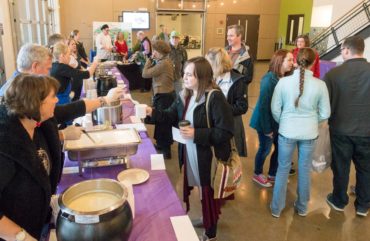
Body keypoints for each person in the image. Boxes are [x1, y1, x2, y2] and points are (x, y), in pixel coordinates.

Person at [145, 57, 234, 241]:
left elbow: (225, 132)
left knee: (209, 192)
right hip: (191, 152)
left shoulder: (215, 97)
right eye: (184, 73)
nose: (184, 77)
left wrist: (196, 134)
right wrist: (151, 112)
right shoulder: (185, 95)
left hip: (208, 156)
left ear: (201, 77)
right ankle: (207, 219)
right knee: (202, 190)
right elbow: (170, 116)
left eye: (189, 74)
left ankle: (211, 233)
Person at [0, 43, 123, 134]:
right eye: (48, 69)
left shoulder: (25, 85)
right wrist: (104, 100)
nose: (49, 73)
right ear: (35, 66)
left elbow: (56, 113)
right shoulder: (15, 93)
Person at [0, 74, 62, 241]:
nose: (56, 100)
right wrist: (21, 236)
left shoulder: (39, 126)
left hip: (37, 224)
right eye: (52, 96)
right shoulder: (5, 145)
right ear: (35, 103)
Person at [270, 48, 330, 217]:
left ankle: (277, 208)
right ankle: (302, 207)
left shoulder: (283, 83)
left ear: (296, 61)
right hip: (309, 133)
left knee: (282, 168)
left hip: (286, 131)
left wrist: (283, 121)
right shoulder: (320, 85)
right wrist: (313, 121)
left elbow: (275, 108)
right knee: (304, 169)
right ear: (314, 63)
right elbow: (325, 113)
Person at [324, 36, 370, 217]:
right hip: (367, 131)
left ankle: (339, 200)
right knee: (366, 168)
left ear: (346, 50)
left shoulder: (333, 75)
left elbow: (325, 105)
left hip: (340, 129)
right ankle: (363, 205)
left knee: (341, 167)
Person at [249, 49, 294, 187]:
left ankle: (273, 174)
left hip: (278, 123)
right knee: (265, 149)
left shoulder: (285, 78)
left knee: (279, 149)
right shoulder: (269, 80)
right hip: (265, 122)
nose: (293, 63)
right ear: (280, 61)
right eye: (290, 60)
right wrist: (268, 129)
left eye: (293, 60)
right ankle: (257, 173)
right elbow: (264, 107)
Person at [205, 47, 247, 157]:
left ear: (217, 64)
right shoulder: (211, 78)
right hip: (214, 123)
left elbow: (242, 106)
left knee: (229, 155)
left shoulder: (237, 80)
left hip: (231, 123)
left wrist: (221, 110)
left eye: (209, 63)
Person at [142, 40, 175, 159]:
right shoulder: (163, 61)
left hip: (165, 96)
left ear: (160, 52)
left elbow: (145, 74)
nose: (153, 52)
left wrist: (148, 61)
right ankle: (161, 145)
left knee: (164, 122)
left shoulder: (163, 64)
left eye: (155, 50)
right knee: (160, 122)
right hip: (164, 95)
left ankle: (166, 150)